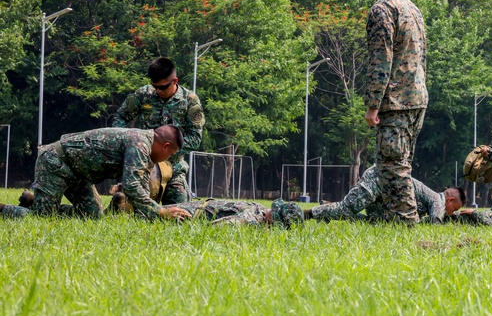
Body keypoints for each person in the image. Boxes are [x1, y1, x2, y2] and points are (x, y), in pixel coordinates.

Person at [358, 0, 428, 224]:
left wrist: (372, 106)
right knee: (402, 165)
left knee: (392, 168)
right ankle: (399, 220)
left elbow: (380, 60)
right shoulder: (411, 7)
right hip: (416, 98)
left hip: (396, 102)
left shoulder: (381, 9)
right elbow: (421, 57)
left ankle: (405, 223)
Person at [26, 126, 190, 220]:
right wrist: (161, 211)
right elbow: (131, 186)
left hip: (79, 174)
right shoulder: (140, 143)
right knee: (42, 219)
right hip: (56, 163)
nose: (166, 159)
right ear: (166, 146)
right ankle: (5, 209)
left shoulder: (147, 153)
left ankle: (38, 201)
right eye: (169, 155)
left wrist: (150, 219)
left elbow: (142, 191)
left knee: (93, 216)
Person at [113, 57, 204, 203]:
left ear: (175, 81)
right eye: (155, 86)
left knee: (181, 213)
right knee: (130, 210)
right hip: (143, 165)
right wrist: (128, 143)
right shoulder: (143, 94)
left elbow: (195, 139)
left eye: (162, 87)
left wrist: (167, 151)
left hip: (173, 167)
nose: (158, 91)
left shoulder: (190, 100)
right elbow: (121, 117)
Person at [307, 165, 464, 223]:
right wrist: (455, 220)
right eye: (454, 210)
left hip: (385, 196)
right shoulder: (437, 199)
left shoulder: (431, 198)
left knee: (375, 223)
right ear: (449, 200)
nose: (452, 213)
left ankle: (327, 210)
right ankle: (308, 214)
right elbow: (435, 221)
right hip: (379, 179)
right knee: (345, 210)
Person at [113, 194, 304, 227]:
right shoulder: (250, 219)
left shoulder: (261, 208)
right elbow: (216, 228)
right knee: (147, 215)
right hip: (192, 214)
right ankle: (123, 206)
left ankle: (128, 206)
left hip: (200, 206)